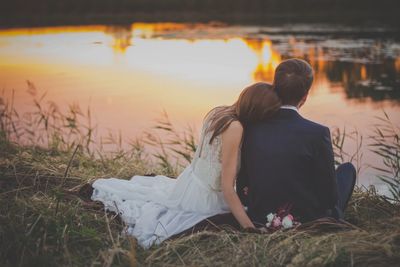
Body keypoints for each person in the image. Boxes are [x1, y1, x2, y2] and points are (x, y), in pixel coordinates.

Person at [91, 82, 281, 248]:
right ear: (258, 112)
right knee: (241, 214)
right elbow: (226, 187)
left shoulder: (220, 111)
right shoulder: (235, 128)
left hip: (189, 181)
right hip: (205, 197)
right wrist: (249, 228)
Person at [237, 58, 357, 225]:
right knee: (347, 170)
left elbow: (242, 185)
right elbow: (329, 198)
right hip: (306, 218)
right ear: (306, 96)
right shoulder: (318, 133)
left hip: (260, 216)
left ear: (275, 88)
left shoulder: (251, 127)